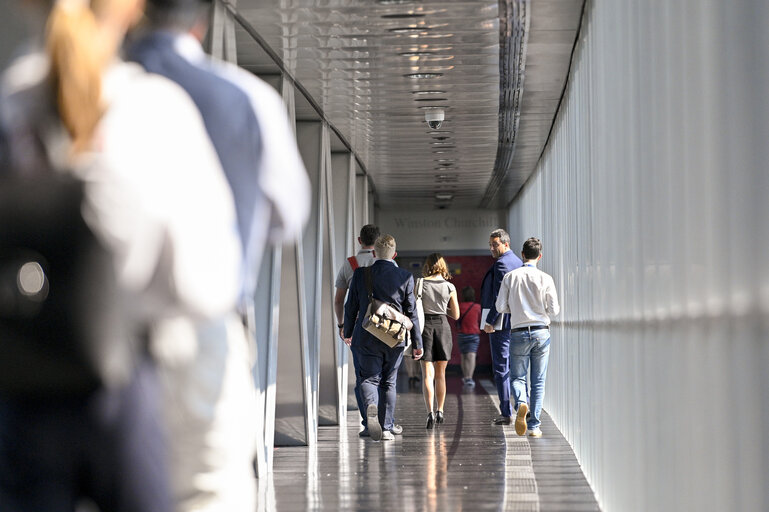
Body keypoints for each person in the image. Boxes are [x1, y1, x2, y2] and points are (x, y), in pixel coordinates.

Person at [0, 0, 241, 509]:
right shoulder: (154, 110)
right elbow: (208, 282)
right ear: (130, 9)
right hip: (125, 386)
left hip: (17, 390)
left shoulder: (9, 107)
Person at [125, 2, 310, 509]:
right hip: (203, 333)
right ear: (200, 22)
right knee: (208, 493)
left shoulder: (80, 88)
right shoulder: (245, 97)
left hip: (87, 332)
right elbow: (288, 216)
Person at [342, 234, 423, 441]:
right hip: (394, 337)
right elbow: (411, 312)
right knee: (389, 382)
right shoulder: (405, 276)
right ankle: (386, 428)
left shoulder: (361, 274)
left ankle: (370, 406)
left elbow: (350, 307)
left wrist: (348, 332)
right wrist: (417, 343)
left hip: (366, 333)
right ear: (394, 254)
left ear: (374, 253)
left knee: (369, 378)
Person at [495, 237, 560, 437]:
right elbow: (554, 310)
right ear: (539, 256)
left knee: (517, 377)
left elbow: (500, 307)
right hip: (541, 332)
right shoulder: (546, 278)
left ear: (522, 255)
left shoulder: (510, 277)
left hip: (518, 332)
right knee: (538, 382)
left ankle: (522, 402)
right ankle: (534, 427)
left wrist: (515, 308)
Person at [334, 223, 381, 433]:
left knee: (362, 374)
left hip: (358, 327)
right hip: (384, 327)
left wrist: (342, 325)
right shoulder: (387, 262)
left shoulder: (349, 264)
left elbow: (339, 300)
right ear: (378, 241)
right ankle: (386, 422)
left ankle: (366, 423)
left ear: (359, 240)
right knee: (385, 376)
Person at [480, 228, 523, 425]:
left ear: (506, 243)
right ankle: (524, 404)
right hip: (519, 322)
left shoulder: (502, 264)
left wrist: (490, 321)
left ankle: (506, 412)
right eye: (490, 244)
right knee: (518, 367)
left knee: (501, 368)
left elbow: (500, 297)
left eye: (495, 244)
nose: (491, 248)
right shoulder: (518, 262)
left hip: (502, 323)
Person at [418, 253, 459, 429]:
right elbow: (456, 315)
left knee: (427, 373)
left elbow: (414, 309)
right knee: (440, 374)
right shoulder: (450, 286)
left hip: (424, 327)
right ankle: (440, 410)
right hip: (442, 327)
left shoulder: (420, 283)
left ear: (428, 266)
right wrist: (443, 310)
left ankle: (429, 413)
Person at [456, 286, 482, 387]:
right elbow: (480, 320)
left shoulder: (460, 306)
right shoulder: (477, 307)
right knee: (471, 356)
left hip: (461, 334)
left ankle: (465, 376)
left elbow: (456, 319)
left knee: (463, 356)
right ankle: (469, 378)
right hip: (473, 334)